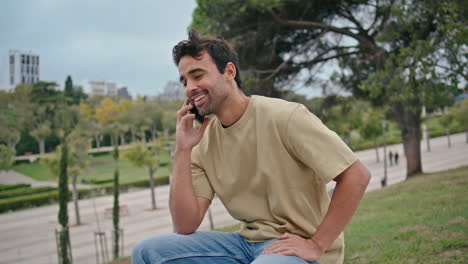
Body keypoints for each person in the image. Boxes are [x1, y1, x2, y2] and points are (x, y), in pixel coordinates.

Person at [132, 29, 371, 264]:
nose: (190, 88)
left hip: (297, 246)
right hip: (245, 246)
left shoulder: (285, 117)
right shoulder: (200, 143)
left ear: (228, 71)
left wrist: (317, 244)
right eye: (185, 81)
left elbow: (356, 175)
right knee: (147, 251)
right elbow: (185, 225)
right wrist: (182, 150)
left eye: (198, 75)